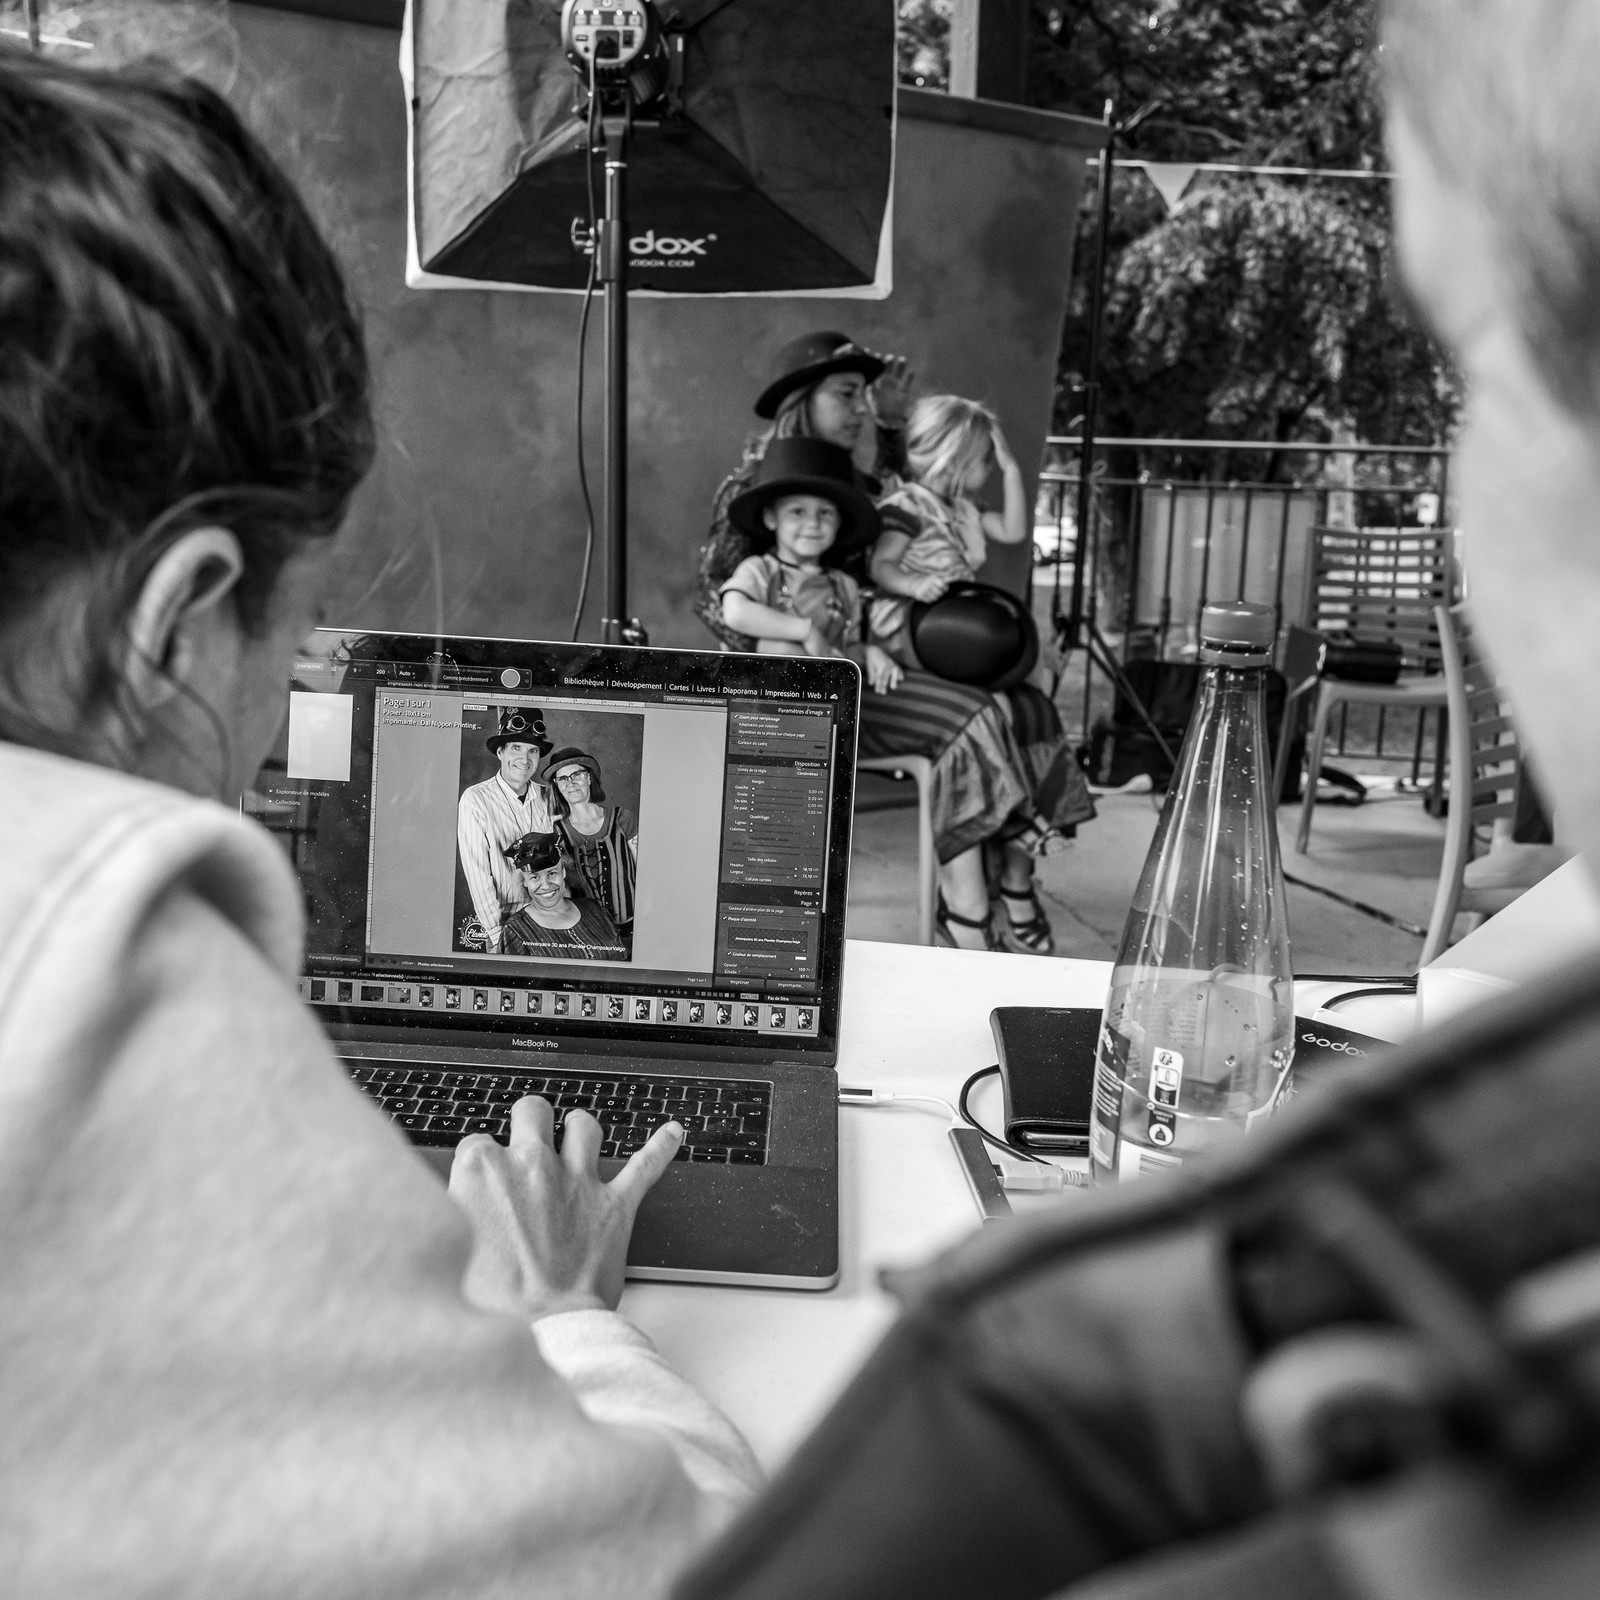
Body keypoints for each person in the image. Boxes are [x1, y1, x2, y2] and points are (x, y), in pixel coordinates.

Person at [672, 5, 1600, 1598]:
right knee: (993, 716)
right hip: (822, 685)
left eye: (1470, 375)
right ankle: (990, 886)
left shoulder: (1134, 1413)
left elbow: (942, 570)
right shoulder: (782, 504)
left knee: (1004, 705)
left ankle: (989, 883)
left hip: (880, 679)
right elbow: (776, 600)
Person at [0, 46, 756, 1599]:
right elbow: (712, 1578)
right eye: (300, 634)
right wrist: (566, 1316)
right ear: (177, 623)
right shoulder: (104, 995)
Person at [704, 337, 1094, 954]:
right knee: (972, 716)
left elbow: (894, 527)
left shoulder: (861, 483)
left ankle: (1014, 877)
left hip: (874, 655)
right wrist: (808, 641)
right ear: (802, 399)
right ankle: (966, 907)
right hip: (804, 690)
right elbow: (724, 608)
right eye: (846, 394)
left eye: (865, 396)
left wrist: (866, 642)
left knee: (1029, 705)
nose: (861, 407)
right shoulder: (754, 485)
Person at [718, 437, 903, 695]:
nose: (813, 524)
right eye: (797, 512)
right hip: (760, 700)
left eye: (825, 513)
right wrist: (806, 632)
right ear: (771, 518)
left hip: (822, 704)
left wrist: (869, 653)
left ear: (839, 521)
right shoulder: (759, 570)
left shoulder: (844, 586)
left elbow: (843, 649)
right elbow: (736, 613)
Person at [457, 705, 555, 951]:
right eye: (516, 748)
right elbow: (478, 874)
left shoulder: (550, 798)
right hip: (506, 922)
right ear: (500, 752)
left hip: (550, 919)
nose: (525, 759)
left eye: (533, 750)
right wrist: (497, 935)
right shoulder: (476, 799)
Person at [541, 745, 640, 933]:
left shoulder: (622, 818)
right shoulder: (558, 832)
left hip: (635, 927)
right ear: (557, 786)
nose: (570, 783)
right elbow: (564, 889)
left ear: (588, 777)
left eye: (576, 774)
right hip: (590, 933)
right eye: (563, 778)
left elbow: (647, 874)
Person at [502, 831, 627, 960]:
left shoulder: (593, 909)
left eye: (552, 873)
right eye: (535, 877)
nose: (546, 885)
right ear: (524, 882)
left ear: (563, 872)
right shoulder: (515, 930)